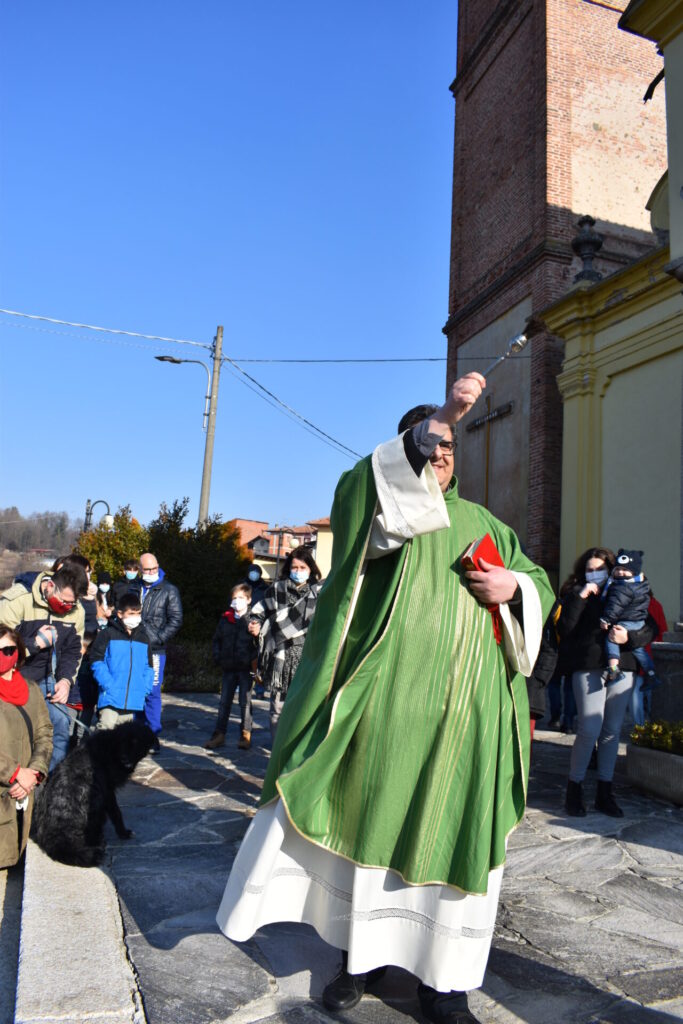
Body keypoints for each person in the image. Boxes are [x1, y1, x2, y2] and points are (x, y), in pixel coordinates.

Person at [217, 373, 553, 1024]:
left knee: (456, 847)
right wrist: (430, 428)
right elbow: (357, 499)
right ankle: (358, 962)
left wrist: (514, 587)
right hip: (389, 715)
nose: (442, 456)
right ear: (405, 448)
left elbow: (539, 584)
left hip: (469, 724)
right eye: (431, 444)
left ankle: (445, 984)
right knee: (369, 835)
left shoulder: (487, 525)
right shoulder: (389, 513)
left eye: (451, 448)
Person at [558, 547, 656, 818]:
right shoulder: (576, 593)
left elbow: (650, 626)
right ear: (583, 571)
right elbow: (564, 628)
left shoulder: (627, 587)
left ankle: (605, 791)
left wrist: (630, 640)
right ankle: (574, 789)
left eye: (600, 568)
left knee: (612, 731)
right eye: (590, 569)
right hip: (588, 667)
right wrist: (580, 596)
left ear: (611, 568)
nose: (595, 573)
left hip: (622, 667)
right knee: (589, 728)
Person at [0, 565, 87, 771]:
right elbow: (2, 650)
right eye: (64, 601)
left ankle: (48, 784)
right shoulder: (16, 601)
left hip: (45, 679)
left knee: (59, 724)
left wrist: (66, 681)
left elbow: (73, 651)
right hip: (11, 677)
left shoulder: (77, 610)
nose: (67, 607)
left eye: (72, 603)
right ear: (49, 586)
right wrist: (35, 643)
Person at [248, 546, 323, 740]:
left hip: (307, 658)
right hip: (279, 659)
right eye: (294, 567)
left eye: (302, 567)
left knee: (302, 710)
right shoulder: (276, 590)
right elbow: (257, 611)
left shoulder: (319, 594)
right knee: (277, 711)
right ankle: (276, 755)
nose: (298, 571)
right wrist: (255, 625)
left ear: (311, 569)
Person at [0, 627, 53, 868]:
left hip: (25, 789)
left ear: (18, 653)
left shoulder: (31, 690)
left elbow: (44, 733)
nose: (2, 655)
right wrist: (13, 773)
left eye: (7, 650)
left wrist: (33, 773)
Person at [132, 553, 183, 734]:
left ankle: (153, 733)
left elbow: (176, 619)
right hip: (134, 647)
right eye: (147, 569)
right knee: (136, 690)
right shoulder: (134, 587)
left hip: (155, 649)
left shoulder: (169, 590)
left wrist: (159, 638)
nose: (152, 572)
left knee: (152, 692)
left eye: (154, 568)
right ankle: (137, 732)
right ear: (139, 570)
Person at [90, 594, 155, 730]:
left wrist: (144, 688)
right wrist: (108, 684)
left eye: (138, 613)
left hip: (133, 699)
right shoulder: (107, 634)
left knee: (122, 740)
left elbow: (148, 666)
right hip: (111, 698)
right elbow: (96, 660)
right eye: (131, 613)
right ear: (120, 614)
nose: (136, 617)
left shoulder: (144, 638)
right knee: (105, 732)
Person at [205, 584, 257, 751]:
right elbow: (216, 640)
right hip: (228, 667)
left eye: (240, 598)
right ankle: (219, 734)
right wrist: (218, 657)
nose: (236, 601)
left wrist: (254, 663)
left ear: (248, 600)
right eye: (234, 598)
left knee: (245, 702)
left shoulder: (253, 620)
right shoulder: (226, 618)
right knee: (224, 702)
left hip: (246, 668)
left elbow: (259, 644)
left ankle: (245, 733)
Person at [600, 549, 659, 687]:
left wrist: (606, 619)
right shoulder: (641, 585)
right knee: (638, 649)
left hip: (627, 621)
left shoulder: (621, 587)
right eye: (618, 569)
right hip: (638, 621)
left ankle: (614, 669)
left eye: (625, 570)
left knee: (611, 638)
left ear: (634, 571)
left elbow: (615, 605)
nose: (620, 572)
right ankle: (651, 672)